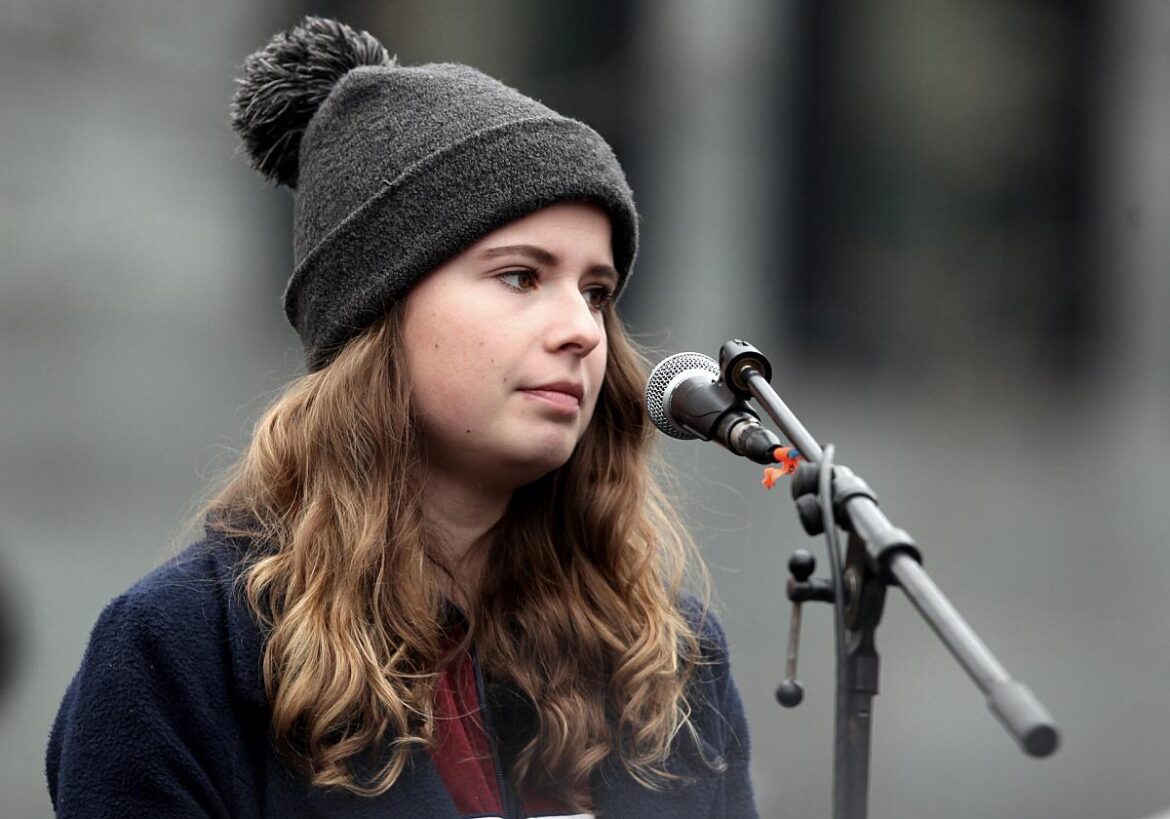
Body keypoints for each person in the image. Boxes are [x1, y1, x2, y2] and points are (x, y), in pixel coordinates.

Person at [45, 17, 758, 819]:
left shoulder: (665, 662)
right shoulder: (183, 651)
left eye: (597, 291)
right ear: (378, 316)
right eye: (522, 276)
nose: (583, 330)